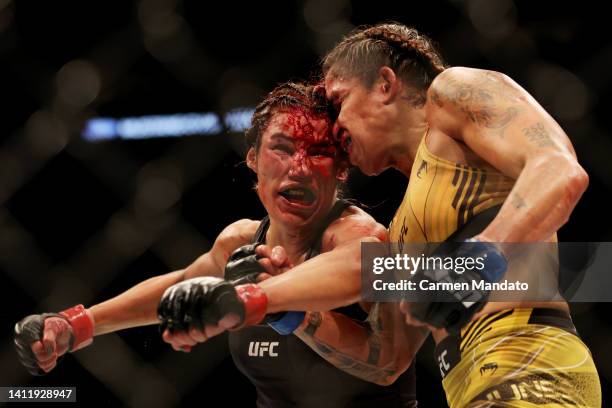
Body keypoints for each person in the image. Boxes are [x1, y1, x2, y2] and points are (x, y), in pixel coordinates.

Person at [14, 81, 418, 407]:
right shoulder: (241, 240)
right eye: (282, 147)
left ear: (342, 169)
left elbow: (388, 364)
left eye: (319, 152)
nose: (299, 168)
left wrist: (284, 308)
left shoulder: (359, 237)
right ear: (254, 160)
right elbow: (178, 287)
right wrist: (76, 324)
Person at [317, 22, 601, 407]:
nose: (333, 128)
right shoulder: (400, 227)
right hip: (475, 391)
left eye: (338, 103)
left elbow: (559, 170)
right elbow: (388, 358)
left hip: (532, 371)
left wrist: (482, 256)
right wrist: (297, 319)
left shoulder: (452, 92)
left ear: (384, 84)